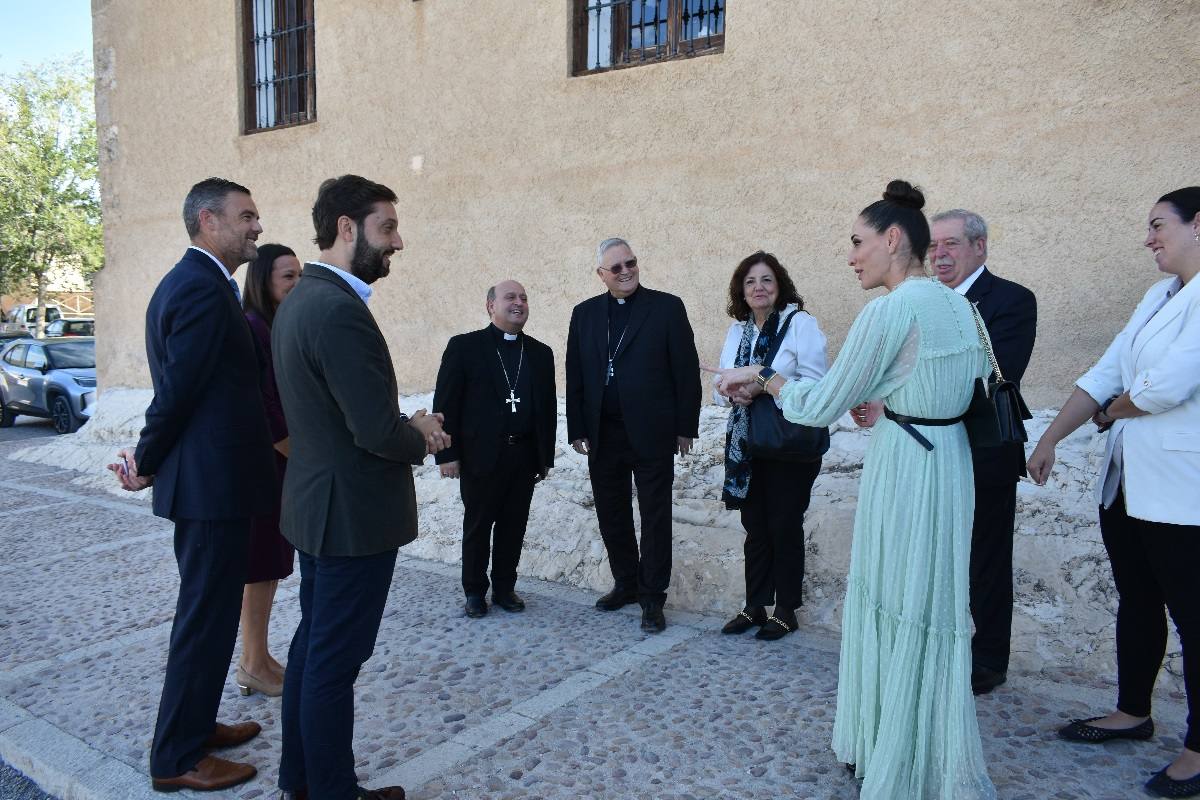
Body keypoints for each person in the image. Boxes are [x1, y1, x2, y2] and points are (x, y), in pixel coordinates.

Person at [709, 181, 996, 799]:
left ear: (893, 240)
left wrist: (764, 377)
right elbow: (953, 389)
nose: (851, 257)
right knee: (931, 605)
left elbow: (816, 404)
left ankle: (893, 754)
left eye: (858, 242)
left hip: (907, 471)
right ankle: (918, 747)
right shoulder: (958, 305)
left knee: (898, 600)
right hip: (947, 464)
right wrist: (891, 404)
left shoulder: (890, 310)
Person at [271, 175, 450, 800]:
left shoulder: (301, 299)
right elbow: (375, 430)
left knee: (314, 651)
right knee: (332, 664)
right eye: (387, 228)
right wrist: (421, 432)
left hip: (318, 509)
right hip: (350, 518)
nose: (397, 242)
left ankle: (302, 781)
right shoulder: (336, 310)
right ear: (347, 228)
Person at [1027, 187, 1200, 799]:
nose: (1149, 238)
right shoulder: (1159, 297)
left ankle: (1199, 748)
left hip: (1185, 492)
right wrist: (1050, 437)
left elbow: (1164, 387)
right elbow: (1107, 373)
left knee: (1194, 615)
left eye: (1158, 226)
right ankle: (1132, 712)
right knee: (1137, 599)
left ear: (1198, 225)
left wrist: (1108, 415)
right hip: (1128, 484)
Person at [107, 177, 277, 792]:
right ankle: (177, 758)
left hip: (217, 485)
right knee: (203, 621)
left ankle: (198, 725)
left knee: (208, 615)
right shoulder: (202, 291)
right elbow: (177, 393)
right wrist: (146, 461)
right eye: (246, 216)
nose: (257, 226)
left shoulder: (204, 285)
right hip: (211, 488)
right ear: (209, 221)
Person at [565, 237, 701, 633]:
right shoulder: (585, 314)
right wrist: (576, 426)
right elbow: (576, 371)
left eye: (631, 263)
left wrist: (685, 426)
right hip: (603, 432)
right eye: (617, 267)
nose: (626, 271)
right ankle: (625, 582)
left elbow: (685, 369)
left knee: (655, 515)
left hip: (653, 430)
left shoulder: (666, 307)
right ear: (601, 275)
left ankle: (652, 597)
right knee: (612, 512)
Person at [929, 209, 1037, 695]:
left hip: (984, 452)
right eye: (932, 247)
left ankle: (988, 659)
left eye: (950, 244)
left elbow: (997, 373)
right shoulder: (923, 302)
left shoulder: (1011, 299)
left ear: (979, 247)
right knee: (936, 558)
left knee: (986, 561)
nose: (940, 255)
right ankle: (939, 648)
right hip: (928, 450)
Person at [713, 251, 827, 640]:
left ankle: (786, 609)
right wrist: (734, 395)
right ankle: (754, 605)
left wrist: (764, 385)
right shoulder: (737, 331)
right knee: (755, 527)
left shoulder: (800, 325)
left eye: (766, 280)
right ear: (741, 292)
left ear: (779, 286)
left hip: (790, 445)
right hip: (748, 444)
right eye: (750, 282)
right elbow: (719, 385)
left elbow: (814, 386)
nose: (758, 288)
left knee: (784, 524)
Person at [433, 280, 557, 619]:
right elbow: (446, 403)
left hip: (524, 454)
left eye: (523, 298)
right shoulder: (464, 347)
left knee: (513, 525)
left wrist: (545, 456)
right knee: (478, 525)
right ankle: (474, 591)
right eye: (510, 297)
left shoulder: (540, 354)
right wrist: (446, 454)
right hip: (480, 456)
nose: (518, 303)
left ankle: (505, 588)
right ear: (491, 306)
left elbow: (546, 408)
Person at [236, 243, 301, 697]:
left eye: (300, 275)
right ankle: (252, 663)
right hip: (264, 467)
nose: (298, 285)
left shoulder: (277, 326)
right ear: (263, 282)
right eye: (288, 278)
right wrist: (303, 457)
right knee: (259, 565)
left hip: (278, 466)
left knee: (271, 565)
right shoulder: (255, 328)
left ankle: (258, 657)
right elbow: (268, 408)